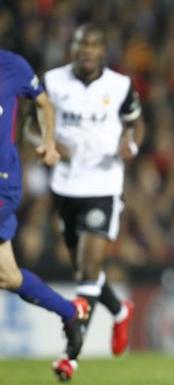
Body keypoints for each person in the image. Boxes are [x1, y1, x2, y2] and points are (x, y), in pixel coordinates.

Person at [43, 24, 143, 360]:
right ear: (71, 48)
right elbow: (32, 124)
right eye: (81, 44)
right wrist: (46, 142)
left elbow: (136, 122)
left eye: (94, 44)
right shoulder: (53, 82)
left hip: (103, 184)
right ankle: (120, 311)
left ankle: (71, 355)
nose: (87, 50)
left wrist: (131, 143)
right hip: (65, 186)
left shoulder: (119, 86)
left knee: (89, 269)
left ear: (102, 51)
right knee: (85, 271)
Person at [0, 49, 89, 381]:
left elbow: (44, 103)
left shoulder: (12, 65)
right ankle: (70, 312)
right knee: (8, 276)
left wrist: (49, 142)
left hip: (2, 185)